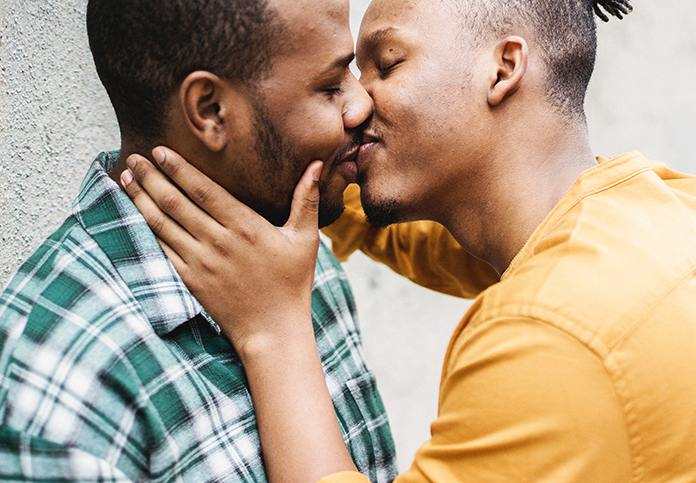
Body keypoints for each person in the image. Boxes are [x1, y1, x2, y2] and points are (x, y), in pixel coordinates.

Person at [122, 0, 696, 481]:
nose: (356, 103)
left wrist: (273, 328)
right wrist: (306, 169)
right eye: (344, 79)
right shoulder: (676, 211)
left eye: (386, 63)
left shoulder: (556, 330)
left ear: (503, 69)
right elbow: (428, 242)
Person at [0, 0, 401, 481]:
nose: (361, 104)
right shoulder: (61, 386)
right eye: (331, 85)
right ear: (210, 110)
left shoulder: (293, 248)